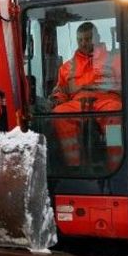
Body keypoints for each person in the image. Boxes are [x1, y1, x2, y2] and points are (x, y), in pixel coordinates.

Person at [50, 22, 123, 169]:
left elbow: (126, 85)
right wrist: (57, 98)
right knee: (60, 114)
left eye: (88, 39)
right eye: (80, 40)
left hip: (107, 100)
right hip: (78, 102)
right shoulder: (67, 67)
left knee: (115, 113)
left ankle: (116, 165)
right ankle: (74, 166)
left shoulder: (116, 61)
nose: (83, 43)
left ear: (97, 38)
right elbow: (61, 90)